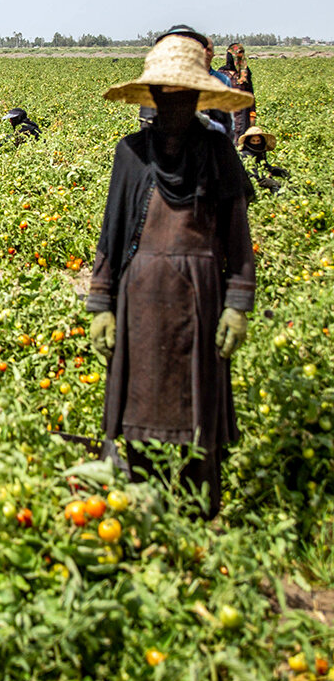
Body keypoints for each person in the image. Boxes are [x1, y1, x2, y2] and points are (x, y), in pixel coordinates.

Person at [87, 33, 256, 519]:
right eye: (166, 93)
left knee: (197, 413)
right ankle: (142, 509)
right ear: (154, 96)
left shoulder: (219, 152)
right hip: (139, 300)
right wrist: (101, 303)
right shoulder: (132, 153)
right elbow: (113, 231)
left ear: (199, 95)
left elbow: (236, 234)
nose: (174, 102)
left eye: (183, 93)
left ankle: (197, 515)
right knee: (138, 409)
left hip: (200, 298)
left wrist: (237, 301)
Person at [237, 125, 287, 192]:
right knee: (274, 185)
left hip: (259, 176)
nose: (256, 143)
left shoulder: (261, 152)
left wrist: (278, 171)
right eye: (253, 141)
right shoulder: (245, 154)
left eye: (258, 141)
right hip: (249, 181)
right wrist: (266, 180)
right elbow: (252, 174)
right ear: (248, 141)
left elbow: (265, 166)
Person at [222, 43, 256, 137]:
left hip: (242, 115)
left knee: (241, 140)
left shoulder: (245, 74)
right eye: (237, 54)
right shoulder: (221, 73)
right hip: (225, 114)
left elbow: (250, 95)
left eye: (241, 54)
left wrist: (252, 116)